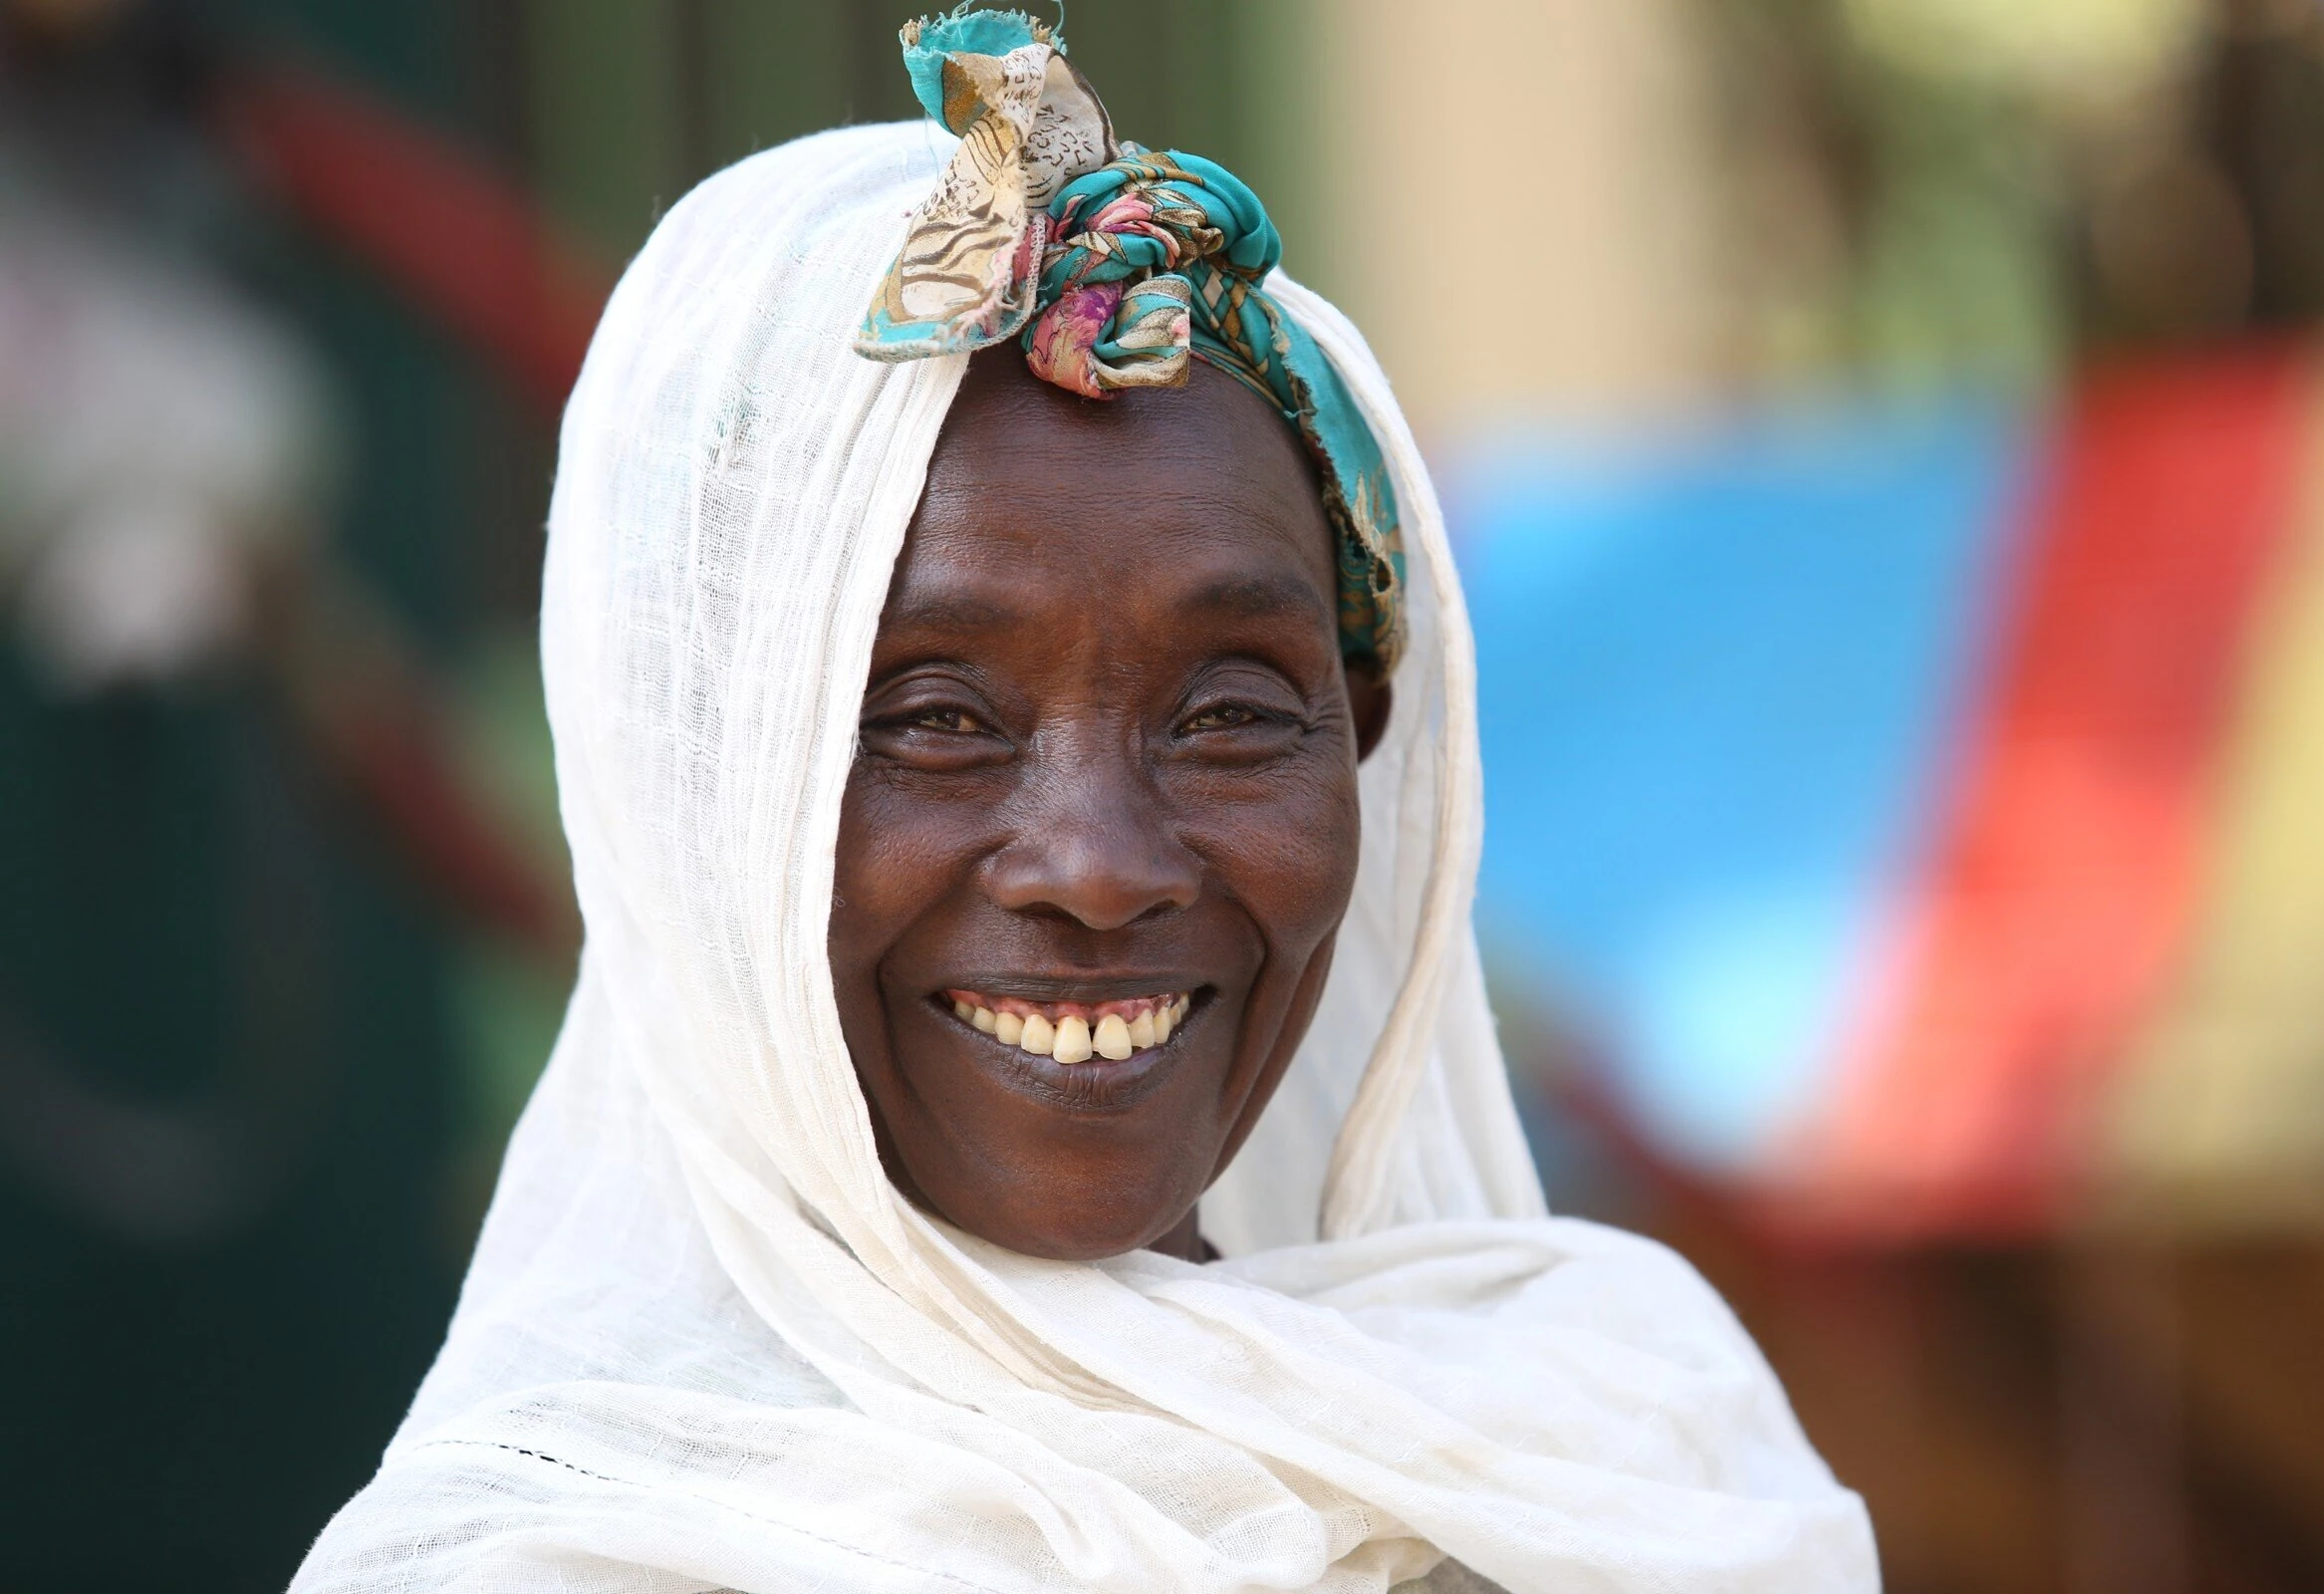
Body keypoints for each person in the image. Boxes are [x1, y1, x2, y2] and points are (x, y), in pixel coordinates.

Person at [293, 13, 1876, 1591]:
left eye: (1232, 715)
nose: (1102, 867)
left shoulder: (1630, 1463)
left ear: (1365, 740)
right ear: (704, 805)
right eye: (933, 721)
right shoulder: (571, 1563)